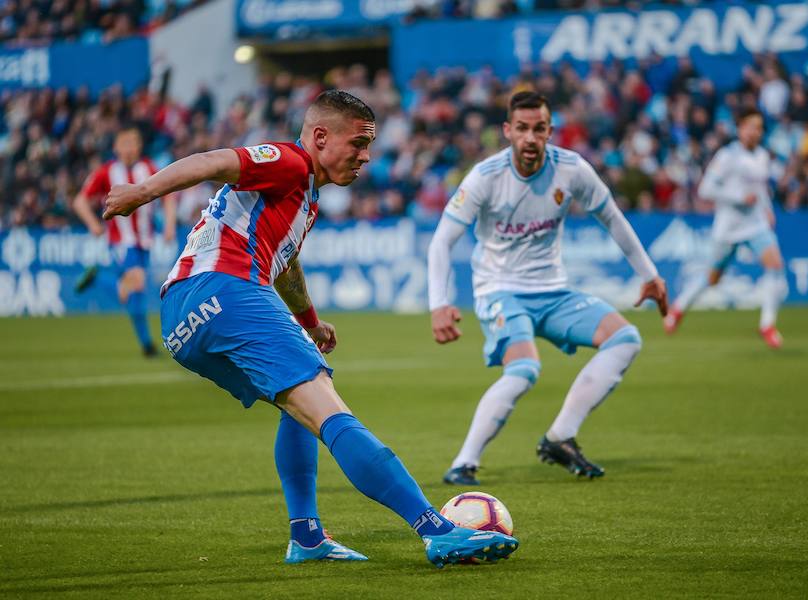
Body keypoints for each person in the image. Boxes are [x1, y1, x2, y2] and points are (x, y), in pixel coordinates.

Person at [101, 90, 518, 567]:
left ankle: (307, 536)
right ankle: (435, 528)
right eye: (358, 144)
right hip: (224, 287)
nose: (365, 157)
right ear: (320, 136)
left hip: (183, 318)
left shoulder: (305, 198)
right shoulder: (290, 161)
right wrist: (141, 193)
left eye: (370, 146)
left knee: (297, 408)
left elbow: (284, 262)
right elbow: (212, 160)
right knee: (327, 406)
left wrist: (311, 323)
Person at [427, 91, 668, 486]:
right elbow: (441, 241)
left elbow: (613, 218)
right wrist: (440, 303)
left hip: (554, 291)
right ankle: (464, 462)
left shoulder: (572, 170)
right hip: (500, 289)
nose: (530, 138)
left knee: (625, 338)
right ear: (507, 131)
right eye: (521, 129)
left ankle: (560, 437)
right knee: (524, 369)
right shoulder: (486, 177)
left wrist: (649, 274)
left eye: (539, 129)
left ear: (550, 131)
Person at [664, 108, 787, 349]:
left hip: (755, 224)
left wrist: (767, 208)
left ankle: (767, 325)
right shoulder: (727, 156)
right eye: (751, 127)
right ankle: (678, 308)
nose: (755, 132)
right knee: (712, 278)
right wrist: (739, 197)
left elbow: (760, 188)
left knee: (775, 265)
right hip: (729, 226)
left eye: (759, 128)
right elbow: (705, 190)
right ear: (740, 129)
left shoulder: (762, 155)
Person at [73, 126, 176, 356]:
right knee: (137, 283)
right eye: (124, 144)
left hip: (145, 242)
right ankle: (98, 279)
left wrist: (169, 225)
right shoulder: (106, 172)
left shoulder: (149, 168)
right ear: (115, 147)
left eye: (133, 143)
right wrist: (93, 224)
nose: (129, 149)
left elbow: (168, 196)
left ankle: (147, 345)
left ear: (140, 146)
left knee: (131, 294)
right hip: (122, 242)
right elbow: (80, 201)